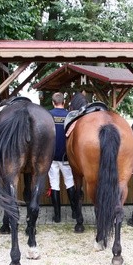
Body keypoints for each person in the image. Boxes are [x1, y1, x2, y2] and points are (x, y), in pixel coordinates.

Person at [48, 92, 78, 223]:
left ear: (53, 102)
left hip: (51, 156)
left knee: (54, 184)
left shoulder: (48, 115)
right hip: (66, 156)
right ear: (63, 102)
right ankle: (75, 213)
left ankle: (57, 216)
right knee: (70, 182)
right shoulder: (69, 116)